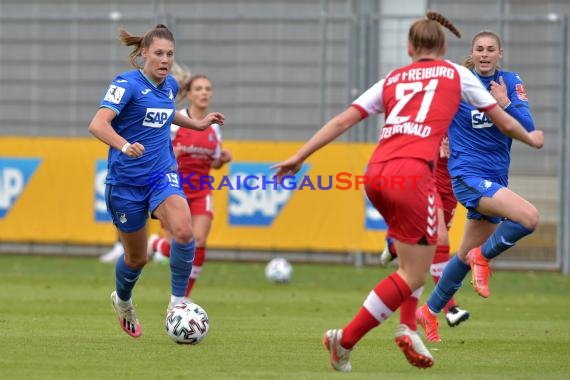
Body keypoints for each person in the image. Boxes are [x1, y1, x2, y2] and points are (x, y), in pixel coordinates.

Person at [272, 12, 543, 372]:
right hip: (414, 175)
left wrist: (298, 157)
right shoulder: (455, 73)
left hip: (377, 174)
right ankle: (358, 336)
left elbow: (342, 120)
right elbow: (506, 121)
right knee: (416, 271)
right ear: (445, 48)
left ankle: (402, 326)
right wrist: (533, 138)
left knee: (412, 262)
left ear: (409, 48)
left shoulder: (392, 78)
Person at [88, 24, 224, 338]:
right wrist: (123, 145)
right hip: (125, 182)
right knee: (137, 258)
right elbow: (97, 124)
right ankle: (122, 301)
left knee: (184, 230)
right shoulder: (126, 84)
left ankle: (178, 303)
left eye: (170, 54)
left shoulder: (170, 86)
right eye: (159, 53)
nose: (165, 59)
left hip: (161, 174)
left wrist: (197, 124)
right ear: (144, 54)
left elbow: (165, 112)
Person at [416, 30, 542, 342]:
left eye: (490, 49)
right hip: (467, 176)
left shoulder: (510, 82)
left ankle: (429, 312)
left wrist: (506, 103)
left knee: (462, 254)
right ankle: (483, 258)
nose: (485, 54)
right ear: (473, 53)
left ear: (500, 54)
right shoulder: (459, 84)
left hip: (495, 177)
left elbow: (526, 127)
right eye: (479, 49)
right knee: (528, 218)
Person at [148, 72, 232, 300]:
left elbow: (212, 163)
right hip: (173, 189)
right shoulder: (175, 123)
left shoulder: (214, 127)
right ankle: (156, 245)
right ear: (189, 94)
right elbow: (156, 152)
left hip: (201, 189)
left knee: (200, 241)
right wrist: (172, 154)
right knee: (175, 245)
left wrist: (221, 160)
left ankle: (183, 298)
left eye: (208, 89)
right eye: (199, 89)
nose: (204, 92)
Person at [379, 136, 470, 331]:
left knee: (429, 243)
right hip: (427, 184)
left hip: (450, 188)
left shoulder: (466, 113)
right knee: (441, 238)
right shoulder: (432, 112)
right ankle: (450, 308)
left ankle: (394, 245)